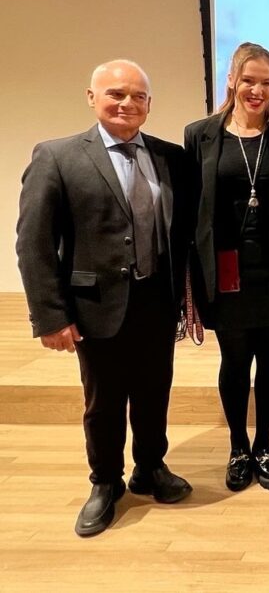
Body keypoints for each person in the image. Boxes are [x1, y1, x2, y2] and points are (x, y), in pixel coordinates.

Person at [16, 60, 192, 536]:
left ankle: (150, 467)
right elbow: (33, 243)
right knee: (104, 401)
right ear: (92, 98)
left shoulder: (171, 157)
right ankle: (106, 482)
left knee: (154, 392)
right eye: (116, 94)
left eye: (138, 96)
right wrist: (50, 316)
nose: (127, 103)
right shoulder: (57, 156)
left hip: (157, 302)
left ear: (150, 104)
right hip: (95, 307)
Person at [184, 43, 269, 491]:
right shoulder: (200, 134)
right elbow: (191, 208)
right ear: (232, 81)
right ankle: (238, 446)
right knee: (235, 360)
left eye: (267, 83)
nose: (257, 91)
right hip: (225, 269)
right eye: (249, 80)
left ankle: (265, 445)